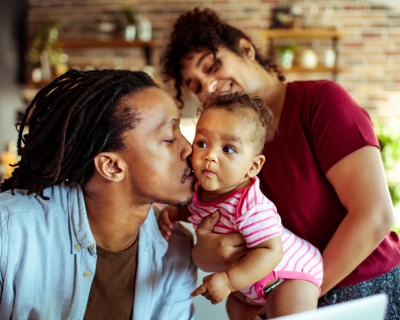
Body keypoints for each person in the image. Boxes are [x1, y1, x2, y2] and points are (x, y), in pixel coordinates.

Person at [160, 7, 400, 319]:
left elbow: (375, 215)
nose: (207, 86)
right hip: (275, 298)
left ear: (246, 49)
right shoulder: (218, 155)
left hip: (361, 287)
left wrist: (295, 301)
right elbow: (218, 233)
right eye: (195, 85)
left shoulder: (321, 102)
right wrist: (206, 253)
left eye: (212, 66)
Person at [0, 69, 197, 320]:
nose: (189, 149)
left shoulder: (176, 247)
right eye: (170, 138)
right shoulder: (8, 232)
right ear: (112, 166)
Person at [158, 92, 323, 319]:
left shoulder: (250, 205)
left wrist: (228, 280)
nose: (210, 156)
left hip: (288, 274)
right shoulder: (198, 190)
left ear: (253, 166)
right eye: (202, 143)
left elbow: (271, 250)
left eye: (228, 149)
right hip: (247, 283)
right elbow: (196, 210)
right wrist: (175, 212)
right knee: (236, 310)